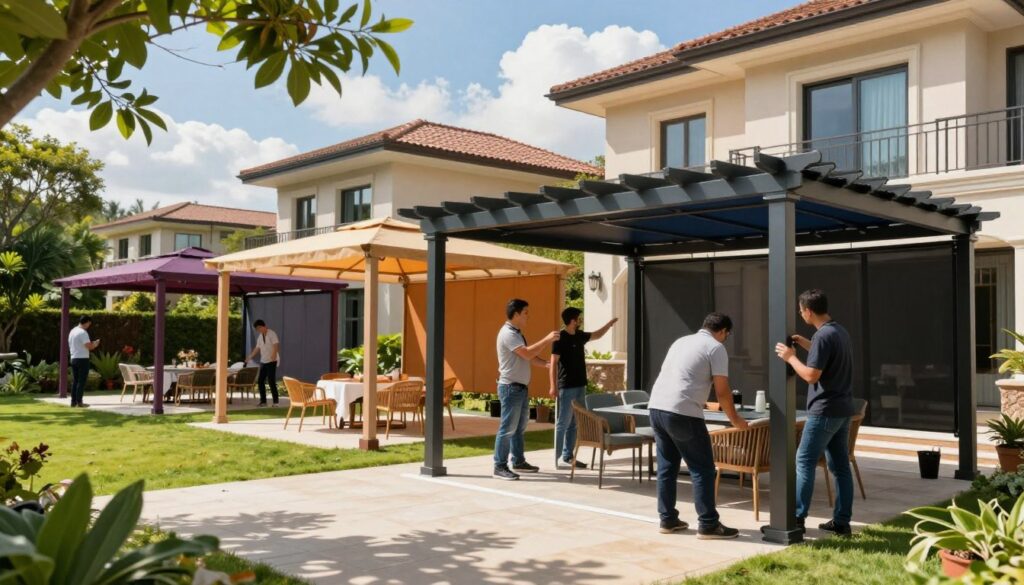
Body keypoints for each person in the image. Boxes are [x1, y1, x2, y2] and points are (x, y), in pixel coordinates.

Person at [648, 312, 746, 539]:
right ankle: (708, 524)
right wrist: (736, 420)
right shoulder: (715, 347)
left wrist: (704, 402)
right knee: (702, 469)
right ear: (723, 331)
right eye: (727, 335)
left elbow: (681, 378)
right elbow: (722, 390)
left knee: (667, 468)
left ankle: (668, 520)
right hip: (683, 413)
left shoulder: (681, 341)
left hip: (657, 408)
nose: (725, 339)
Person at [775, 288, 855, 537]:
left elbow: (811, 376)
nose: (801, 315)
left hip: (825, 410)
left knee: (804, 461)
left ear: (808, 310)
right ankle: (842, 522)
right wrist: (806, 344)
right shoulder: (839, 331)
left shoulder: (823, 337)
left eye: (801, 311)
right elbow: (826, 358)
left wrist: (790, 357)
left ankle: (797, 518)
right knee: (840, 467)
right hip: (843, 409)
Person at [493, 298, 560, 481]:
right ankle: (499, 466)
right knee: (507, 429)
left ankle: (518, 461)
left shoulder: (516, 333)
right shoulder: (508, 333)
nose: (528, 317)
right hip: (510, 388)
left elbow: (528, 357)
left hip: (519, 388)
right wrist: (547, 339)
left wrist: (547, 364)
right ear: (515, 314)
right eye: (525, 313)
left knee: (518, 428)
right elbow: (527, 353)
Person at [549, 307, 617, 468]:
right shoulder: (560, 338)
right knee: (563, 423)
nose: (580, 321)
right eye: (578, 318)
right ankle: (557, 458)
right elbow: (553, 363)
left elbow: (597, 334)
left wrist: (609, 325)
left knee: (574, 423)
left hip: (580, 386)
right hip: (566, 387)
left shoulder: (580, 336)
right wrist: (553, 386)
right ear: (572, 320)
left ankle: (568, 456)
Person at [246, 319, 280, 406]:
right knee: (260, 381)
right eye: (257, 329)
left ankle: (276, 402)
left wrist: (273, 355)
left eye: (259, 328)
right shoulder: (260, 337)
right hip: (263, 361)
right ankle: (263, 401)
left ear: (264, 326)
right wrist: (250, 357)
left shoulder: (272, 333)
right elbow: (257, 348)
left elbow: (276, 345)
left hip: (272, 360)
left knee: (271, 380)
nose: (258, 331)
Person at [68, 315, 100, 408]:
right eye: (89, 324)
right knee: (81, 381)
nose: (89, 326)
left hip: (74, 358)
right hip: (82, 359)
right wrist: (95, 344)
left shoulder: (72, 331)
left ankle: (73, 402)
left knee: (75, 381)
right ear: (86, 322)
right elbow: (89, 346)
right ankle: (79, 402)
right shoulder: (83, 332)